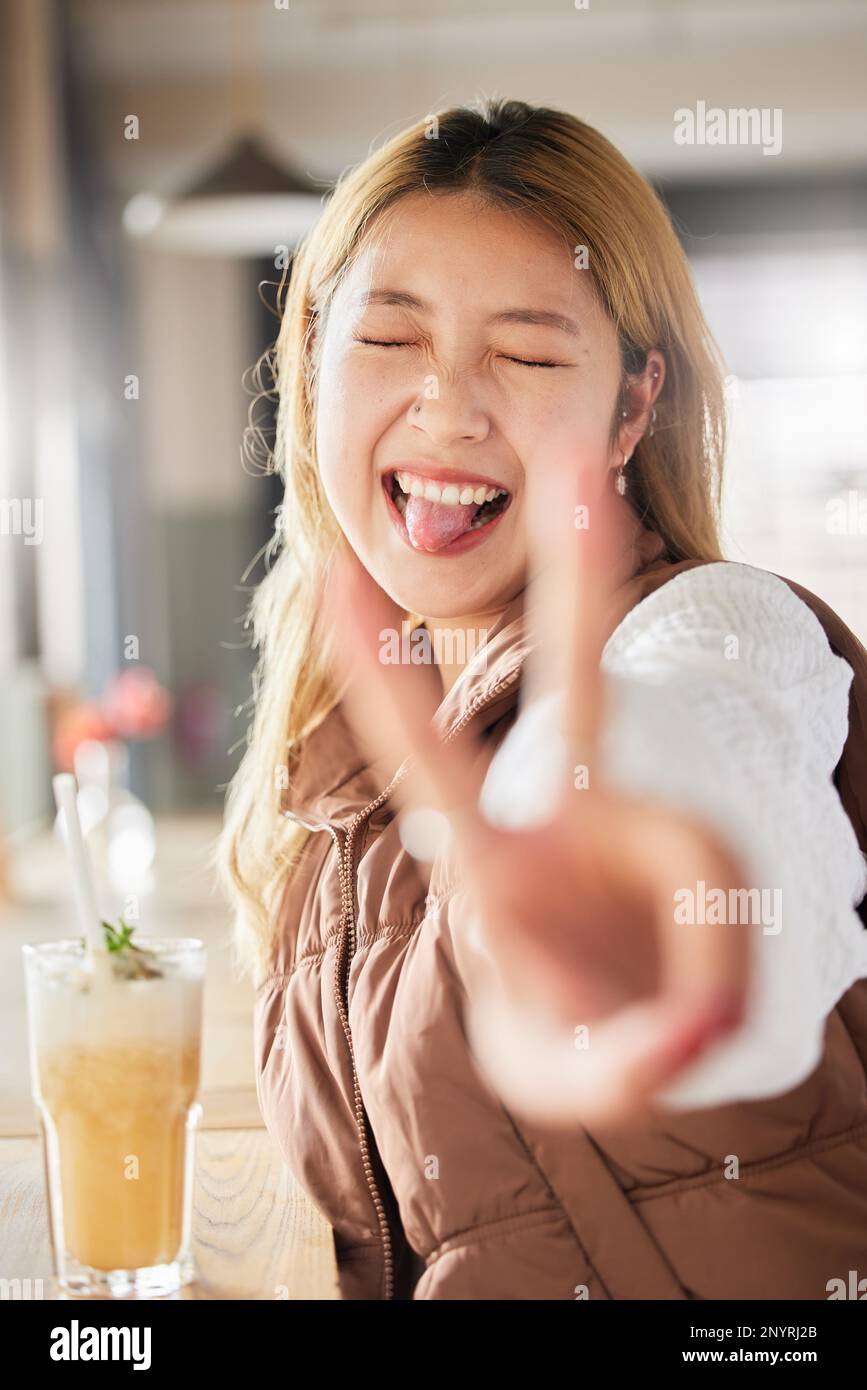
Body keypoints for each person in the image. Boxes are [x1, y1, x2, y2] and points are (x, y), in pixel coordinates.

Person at [217, 99, 867, 1300]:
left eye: (524, 353)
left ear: (632, 408)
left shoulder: (718, 623)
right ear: (311, 361)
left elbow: (706, 738)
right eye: (389, 340)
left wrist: (660, 902)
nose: (449, 407)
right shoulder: (343, 763)